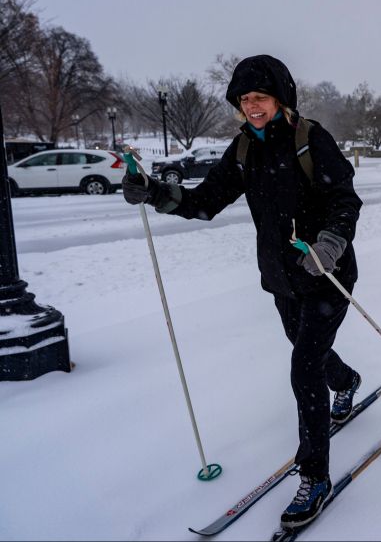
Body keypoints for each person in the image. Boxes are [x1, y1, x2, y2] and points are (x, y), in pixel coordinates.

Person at [122, 55, 362, 530]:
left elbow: (345, 199)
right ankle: (348, 380)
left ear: (280, 99)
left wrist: (328, 244)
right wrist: (151, 191)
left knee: (303, 368)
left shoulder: (309, 139)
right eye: (244, 99)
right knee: (305, 350)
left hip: (326, 275)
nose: (252, 106)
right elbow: (204, 202)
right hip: (281, 280)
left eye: (260, 97)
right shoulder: (243, 151)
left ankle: (314, 476)